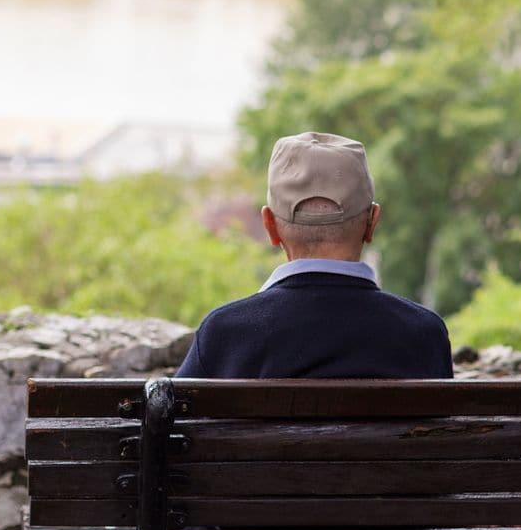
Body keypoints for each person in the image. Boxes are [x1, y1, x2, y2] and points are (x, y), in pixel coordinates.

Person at [176, 131, 453, 379]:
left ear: (270, 226)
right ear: (371, 223)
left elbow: (172, 414)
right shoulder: (424, 334)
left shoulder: (224, 334)